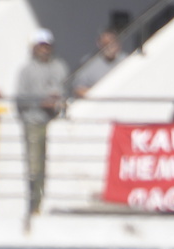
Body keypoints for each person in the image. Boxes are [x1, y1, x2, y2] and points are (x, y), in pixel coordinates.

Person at [15, 28, 68, 215]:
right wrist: (40, 101)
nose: (44, 50)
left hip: (53, 122)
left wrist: (54, 101)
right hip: (33, 123)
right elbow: (20, 99)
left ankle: (43, 203)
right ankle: (34, 204)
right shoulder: (26, 70)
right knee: (34, 165)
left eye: (47, 46)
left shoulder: (58, 67)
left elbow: (62, 91)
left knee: (48, 166)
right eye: (40, 46)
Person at [72, 27, 126, 98]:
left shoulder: (128, 60)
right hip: (96, 103)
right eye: (106, 44)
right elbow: (78, 89)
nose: (110, 47)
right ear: (99, 44)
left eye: (113, 43)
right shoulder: (88, 62)